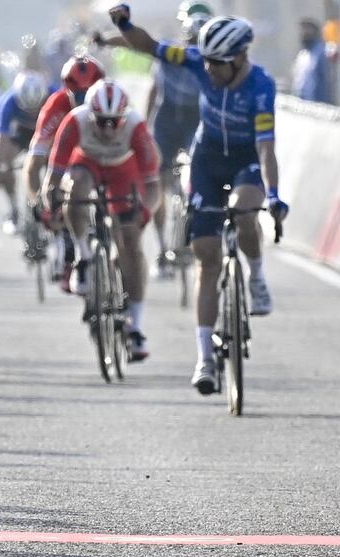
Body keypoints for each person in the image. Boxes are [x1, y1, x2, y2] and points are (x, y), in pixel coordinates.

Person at [109, 5, 290, 391]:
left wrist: (273, 194)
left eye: (217, 64)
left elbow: (265, 148)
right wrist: (124, 25)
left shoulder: (260, 86)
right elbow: (150, 47)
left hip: (246, 160)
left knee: (244, 212)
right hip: (207, 158)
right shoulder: (196, 59)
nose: (207, 70)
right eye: (205, 61)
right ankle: (205, 358)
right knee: (206, 255)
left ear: (240, 58)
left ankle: (256, 276)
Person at [42, 80, 161, 361]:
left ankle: (136, 325)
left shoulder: (136, 126)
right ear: (90, 115)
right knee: (75, 187)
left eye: (114, 122)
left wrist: (143, 214)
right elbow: (54, 177)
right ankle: (84, 258)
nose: (108, 129)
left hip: (123, 171)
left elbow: (154, 187)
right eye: (102, 122)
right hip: (87, 164)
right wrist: (52, 205)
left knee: (131, 244)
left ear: (123, 117)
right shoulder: (75, 120)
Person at [96, 10, 210, 280]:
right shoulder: (175, 54)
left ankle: (192, 214)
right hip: (168, 119)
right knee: (156, 180)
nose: (194, 46)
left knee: (198, 170)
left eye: (199, 42)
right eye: (191, 40)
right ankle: (161, 246)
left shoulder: (209, 61)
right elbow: (141, 45)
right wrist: (146, 126)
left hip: (194, 118)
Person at [25, 55, 106, 293]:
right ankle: (73, 250)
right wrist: (38, 200)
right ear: (66, 90)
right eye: (77, 95)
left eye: (87, 94)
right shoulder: (55, 107)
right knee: (63, 195)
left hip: (102, 158)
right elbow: (34, 163)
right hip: (67, 160)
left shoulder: (109, 100)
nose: (82, 101)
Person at [0, 71, 50, 235]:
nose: (31, 113)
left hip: (46, 132)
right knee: (3, 163)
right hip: (20, 134)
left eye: (35, 108)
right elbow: (0, 137)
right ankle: (13, 208)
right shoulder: (8, 101)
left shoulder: (53, 94)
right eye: (26, 109)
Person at [292, 18, 333, 104]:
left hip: (319, 104)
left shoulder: (322, 52)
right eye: (303, 29)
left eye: (308, 29)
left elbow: (326, 80)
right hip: (303, 104)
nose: (305, 32)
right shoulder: (302, 54)